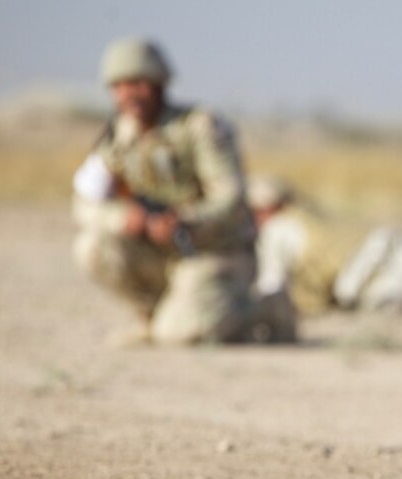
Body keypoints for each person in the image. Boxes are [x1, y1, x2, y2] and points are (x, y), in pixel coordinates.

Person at [71, 38, 295, 345]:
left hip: (214, 253)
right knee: (92, 247)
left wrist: (184, 221)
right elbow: (84, 203)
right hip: (159, 252)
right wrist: (123, 219)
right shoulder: (117, 140)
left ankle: (266, 308)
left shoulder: (199, 127)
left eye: (138, 83)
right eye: (119, 86)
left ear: (160, 83)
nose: (128, 94)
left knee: (183, 334)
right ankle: (152, 316)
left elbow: (230, 198)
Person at [246, 174, 402, 314]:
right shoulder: (313, 216)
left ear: (264, 209)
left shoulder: (276, 230)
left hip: (385, 279)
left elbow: (271, 286)